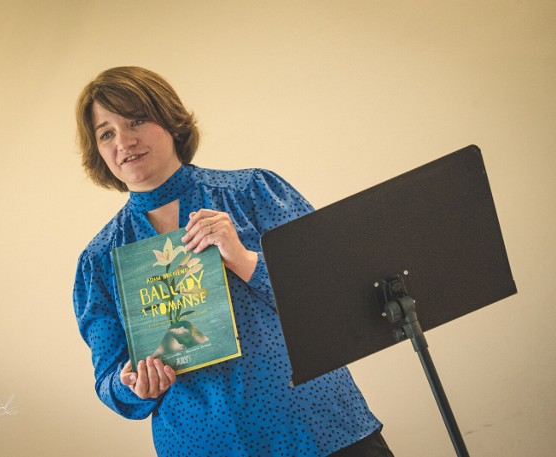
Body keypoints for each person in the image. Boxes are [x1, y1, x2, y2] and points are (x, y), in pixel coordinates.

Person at [72, 66, 394, 457]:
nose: (124, 140)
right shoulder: (99, 261)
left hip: (319, 427)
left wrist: (244, 259)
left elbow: (334, 297)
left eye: (136, 120)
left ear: (171, 121)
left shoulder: (255, 192)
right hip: (204, 446)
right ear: (99, 152)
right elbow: (109, 377)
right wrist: (131, 385)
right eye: (106, 133)